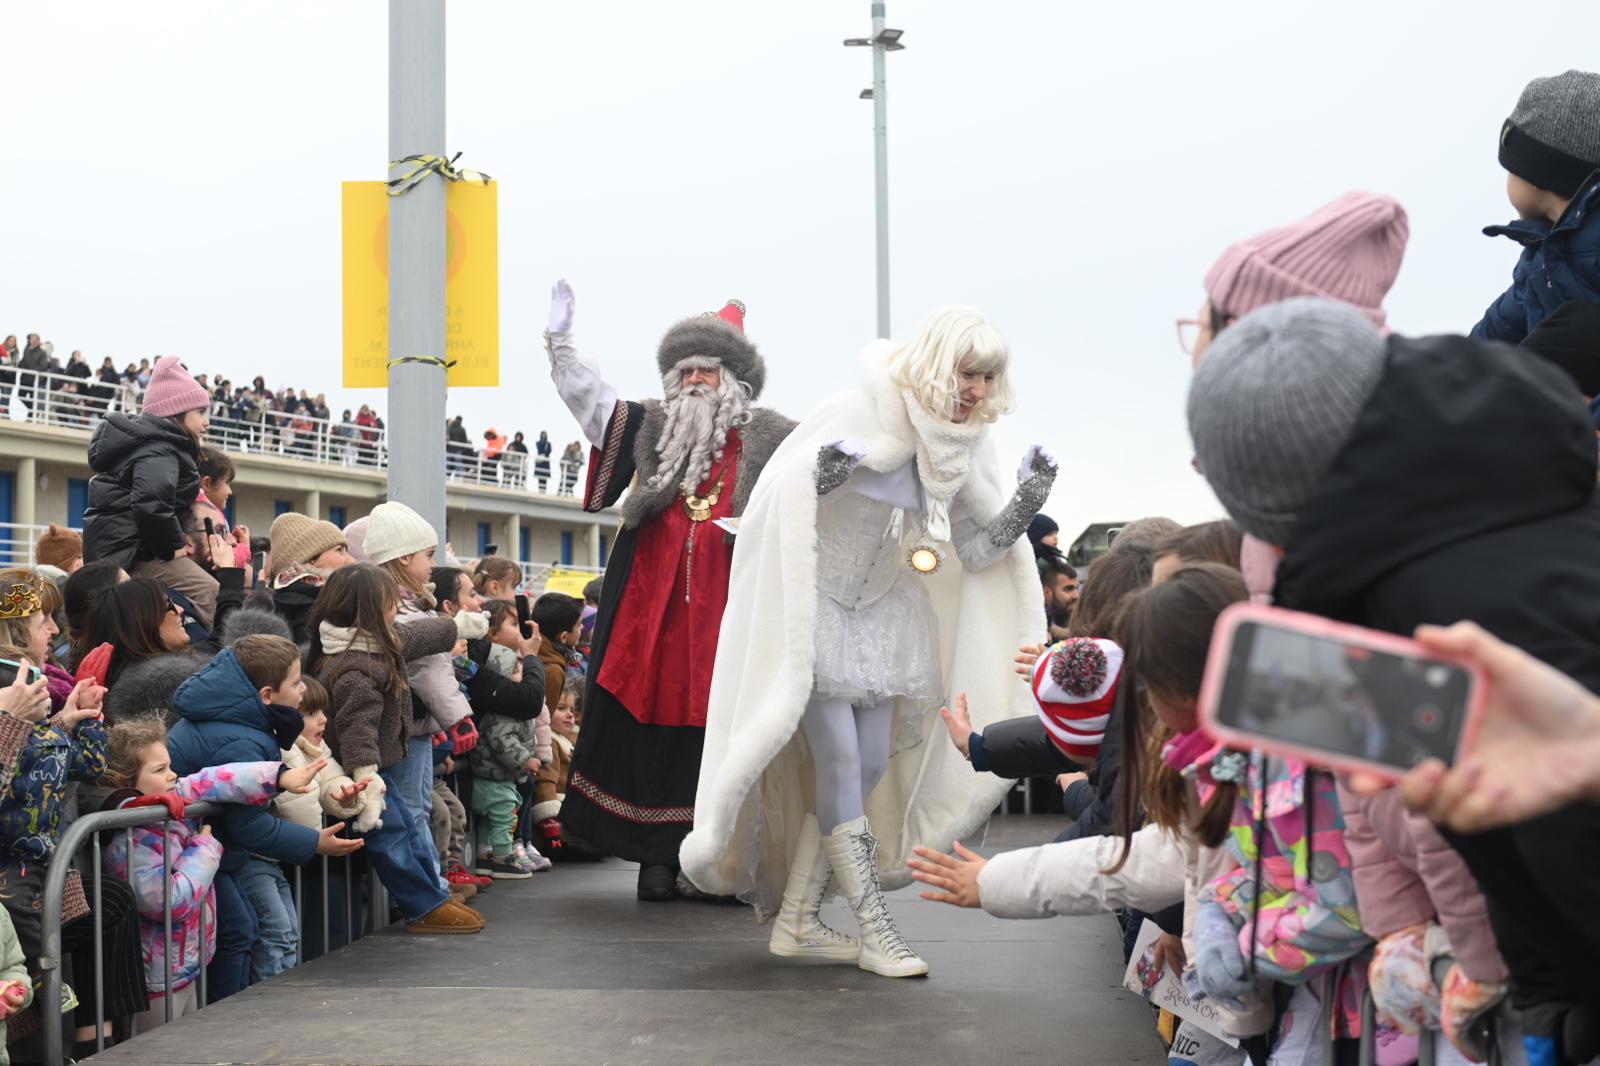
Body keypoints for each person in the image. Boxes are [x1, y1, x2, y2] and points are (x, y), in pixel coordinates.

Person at [1190, 297, 1600, 1065]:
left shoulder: (1432, 618)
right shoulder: (1533, 509)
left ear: (1268, 504)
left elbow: (1550, 852)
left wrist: (1554, 989)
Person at [680, 304, 1051, 978]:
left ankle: (798, 918)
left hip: (886, 613)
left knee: (869, 762)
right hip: (814, 607)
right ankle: (873, 927)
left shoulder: (962, 446)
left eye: (987, 378)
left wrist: (1025, 503)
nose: (976, 391)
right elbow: (779, 504)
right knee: (843, 764)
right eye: (968, 373)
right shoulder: (857, 410)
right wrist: (819, 480)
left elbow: (972, 546)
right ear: (939, 364)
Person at [543, 279, 797, 901]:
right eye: (682, 371)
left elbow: (822, 476)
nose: (692, 382)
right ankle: (655, 859)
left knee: (728, 726)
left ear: (734, 379)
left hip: (732, 612)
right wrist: (562, 348)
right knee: (642, 720)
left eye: (706, 371)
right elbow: (594, 404)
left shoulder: (772, 437)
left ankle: (718, 863)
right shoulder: (652, 426)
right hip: (648, 612)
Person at [165, 636, 363, 1000]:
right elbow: (248, 824)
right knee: (241, 930)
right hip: (188, 850)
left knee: (245, 928)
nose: (303, 690)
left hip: (207, 850)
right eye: (296, 683)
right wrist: (315, 843)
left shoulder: (244, 723)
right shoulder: (243, 740)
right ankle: (234, 1015)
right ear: (267, 695)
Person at [102, 717, 319, 1027]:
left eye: (170, 765)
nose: (172, 775)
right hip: (155, 979)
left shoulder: (174, 796)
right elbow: (169, 901)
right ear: (126, 779)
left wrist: (280, 778)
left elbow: (218, 779)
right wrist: (205, 847)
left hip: (188, 964)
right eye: (159, 770)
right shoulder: (129, 840)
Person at [308, 564, 482, 935]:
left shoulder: (372, 643)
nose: (397, 607)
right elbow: (358, 730)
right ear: (371, 607)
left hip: (380, 768)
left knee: (408, 833)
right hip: (366, 775)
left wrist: (460, 626)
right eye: (391, 600)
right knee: (393, 841)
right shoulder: (357, 665)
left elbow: (418, 633)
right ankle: (423, 906)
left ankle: (433, 896)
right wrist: (366, 778)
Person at [362, 502, 484, 891]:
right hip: (406, 727)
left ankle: (430, 886)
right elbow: (430, 670)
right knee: (413, 810)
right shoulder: (404, 609)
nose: (433, 565)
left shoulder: (404, 604)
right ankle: (429, 891)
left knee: (414, 809)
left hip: (411, 724)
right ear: (402, 558)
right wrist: (457, 718)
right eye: (428, 556)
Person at [82, 355, 221, 626]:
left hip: (122, 551)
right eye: (201, 412)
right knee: (211, 592)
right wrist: (173, 546)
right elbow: (151, 505)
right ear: (176, 411)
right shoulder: (160, 448)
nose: (207, 422)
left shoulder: (155, 444)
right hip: (128, 557)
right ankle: (215, 656)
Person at [1471, 70, 1600, 344]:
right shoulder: (1543, 252)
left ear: (1542, 174)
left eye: (1511, 169)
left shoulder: (1589, 253)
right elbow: (1491, 340)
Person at [468, 601, 545, 880]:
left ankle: (489, 853)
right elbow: (504, 742)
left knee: (499, 815)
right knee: (503, 814)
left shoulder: (498, 666)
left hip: (501, 775)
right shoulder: (499, 708)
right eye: (513, 624)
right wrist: (526, 760)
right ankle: (502, 854)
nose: (520, 676)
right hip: (496, 775)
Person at [258, 512, 354, 645]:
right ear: (311, 560)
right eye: (339, 550)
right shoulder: (316, 609)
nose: (352, 560)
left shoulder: (271, 602)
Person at [193, 447, 252, 570]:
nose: (230, 491)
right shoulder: (204, 514)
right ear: (207, 483)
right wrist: (244, 548)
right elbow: (223, 560)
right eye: (227, 483)